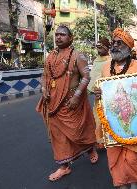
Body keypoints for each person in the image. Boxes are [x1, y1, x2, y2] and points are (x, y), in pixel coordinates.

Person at [36, 25, 98, 181]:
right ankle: (64, 167)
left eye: (62, 35)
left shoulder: (78, 56)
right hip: (53, 103)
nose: (58, 37)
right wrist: (44, 88)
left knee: (79, 132)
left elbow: (86, 77)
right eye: (56, 35)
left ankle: (90, 149)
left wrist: (77, 96)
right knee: (58, 136)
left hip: (72, 103)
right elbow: (44, 76)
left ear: (71, 38)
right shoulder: (50, 56)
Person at [94, 28, 137, 189]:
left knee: (131, 159)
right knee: (114, 158)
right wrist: (98, 94)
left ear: (128, 47)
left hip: (132, 121)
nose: (114, 45)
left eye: (119, 43)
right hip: (112, 121)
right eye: (113, 42)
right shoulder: (105, 67)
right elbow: (101, 92)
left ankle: (135, 186)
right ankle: (121, 185)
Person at [88, 38, 111, 147]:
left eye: (102, 46)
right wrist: (89, 90)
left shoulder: (111, 60)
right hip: (97, 95)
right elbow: (93, 77)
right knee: (97, 118)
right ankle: (100, 141)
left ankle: (110, 139)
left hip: (108, 94)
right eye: (98, 47)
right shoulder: (96, 60)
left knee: (108, 117)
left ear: (108, 48)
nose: (99, 49)